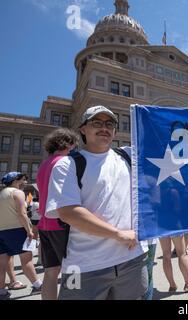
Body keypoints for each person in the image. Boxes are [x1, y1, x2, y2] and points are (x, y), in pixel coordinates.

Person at [45, 106, 148, 300]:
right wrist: (118, 234)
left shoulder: (128, 157)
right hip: (83, 266)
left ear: (115, 131)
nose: (104, 128)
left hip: (132, 260)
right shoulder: (67, 164)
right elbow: (69, 212)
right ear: (83, 129)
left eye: (110, 124)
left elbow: (165, 147)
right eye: (97, 123)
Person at [36, 128, 79, 300]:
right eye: (73, 145)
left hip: (45, 224)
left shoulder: (44, 164)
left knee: (50, 272)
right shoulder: (65, 162)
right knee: (74, 269)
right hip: (62, 223)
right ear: (67, 143)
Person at [0, 172, 42, 300]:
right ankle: (37, 285)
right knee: (27, 259)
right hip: (17, 229)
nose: (25, 182)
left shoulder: (1, 194)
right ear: (15, 180)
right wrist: (29, 230)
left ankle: (1, 290)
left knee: (2, 262)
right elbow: (22, 214)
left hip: (1, 230)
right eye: (23, 180)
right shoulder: (17, 193)